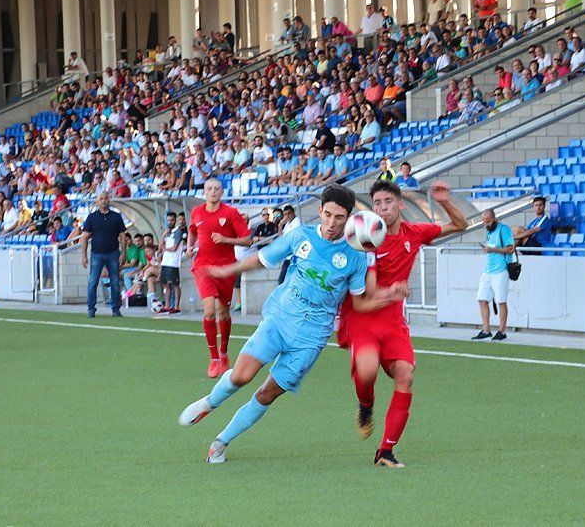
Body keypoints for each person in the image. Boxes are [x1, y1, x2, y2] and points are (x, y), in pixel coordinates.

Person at [177, 184, 406, 464]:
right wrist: (228, 269)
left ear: (349, 219)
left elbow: (360, 303)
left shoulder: (355, 256)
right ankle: (209, 403)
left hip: (310, 338)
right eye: (328, 215)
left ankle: (221, 442)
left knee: (267, 393)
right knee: (241, 376)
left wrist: (388, 296)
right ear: (320, 211)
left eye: (339, 218)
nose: (332, 223)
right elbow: (262, 259)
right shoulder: (300, 236)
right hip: (279, 319)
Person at [338, 180, 468, 467]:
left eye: (387, 202)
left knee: (406, 375)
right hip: (362, 316)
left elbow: (461, 225)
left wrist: (444, 200)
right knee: (368, 370)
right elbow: (368, 292)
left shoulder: (415, 232)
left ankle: (385, 451)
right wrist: (390, 291)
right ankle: (366, 406)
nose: (382, 209)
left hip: (392, 320)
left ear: (400, 204)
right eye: (377, 204)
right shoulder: (367, 239)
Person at [186, 178, 252, 379]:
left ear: (222, 192)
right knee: (209, 311)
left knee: (223, 313)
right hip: (203, 267)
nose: (213, 192)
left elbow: (247, 240)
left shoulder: (230, 213)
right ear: (204, 192)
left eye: (216, 188)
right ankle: (213, 358)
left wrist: (226, 239)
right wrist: (190, 246)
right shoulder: (196, 212)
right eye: (209, 189)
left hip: (225, 269)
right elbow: (193, 232)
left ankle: (224, 352)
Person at [79, 191, 127, 318]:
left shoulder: (116, 217)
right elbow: (84, 237)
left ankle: (116, 309)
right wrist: (83, 255)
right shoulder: (92, 217)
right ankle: (91, 308)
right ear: (97, 201)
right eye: (101, 198)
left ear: (109, 200)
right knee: (93, 282)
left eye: (106, 198)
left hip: (113, 253)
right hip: (96, 254)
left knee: (115, 282)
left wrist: (123, 253)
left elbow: (122, 235)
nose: (104, 200)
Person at [473, 209, 514, 342]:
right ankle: (486, 330)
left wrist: (492, 249)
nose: (486, 224)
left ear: (494, 218)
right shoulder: (489, 231)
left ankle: (501, 331)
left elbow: (511, 248)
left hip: (501, 270)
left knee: (501, 300)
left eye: (488, 221)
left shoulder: (504, 229)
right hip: (489, 270)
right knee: (482, 298)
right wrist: (488, 249)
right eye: (484, 222)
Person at [159, 212, 185, 314]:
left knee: (175, 284)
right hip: (165, 262)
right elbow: (160, 246)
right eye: (168, 220)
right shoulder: (168, 232)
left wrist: (164, 249)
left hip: (173, 262)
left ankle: (177, 306)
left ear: (175, 220)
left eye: (171, 220)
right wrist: (164, 234)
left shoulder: (178, 232)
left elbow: (174, 248)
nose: (169, 222)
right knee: (166, 285)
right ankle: (167, 306)